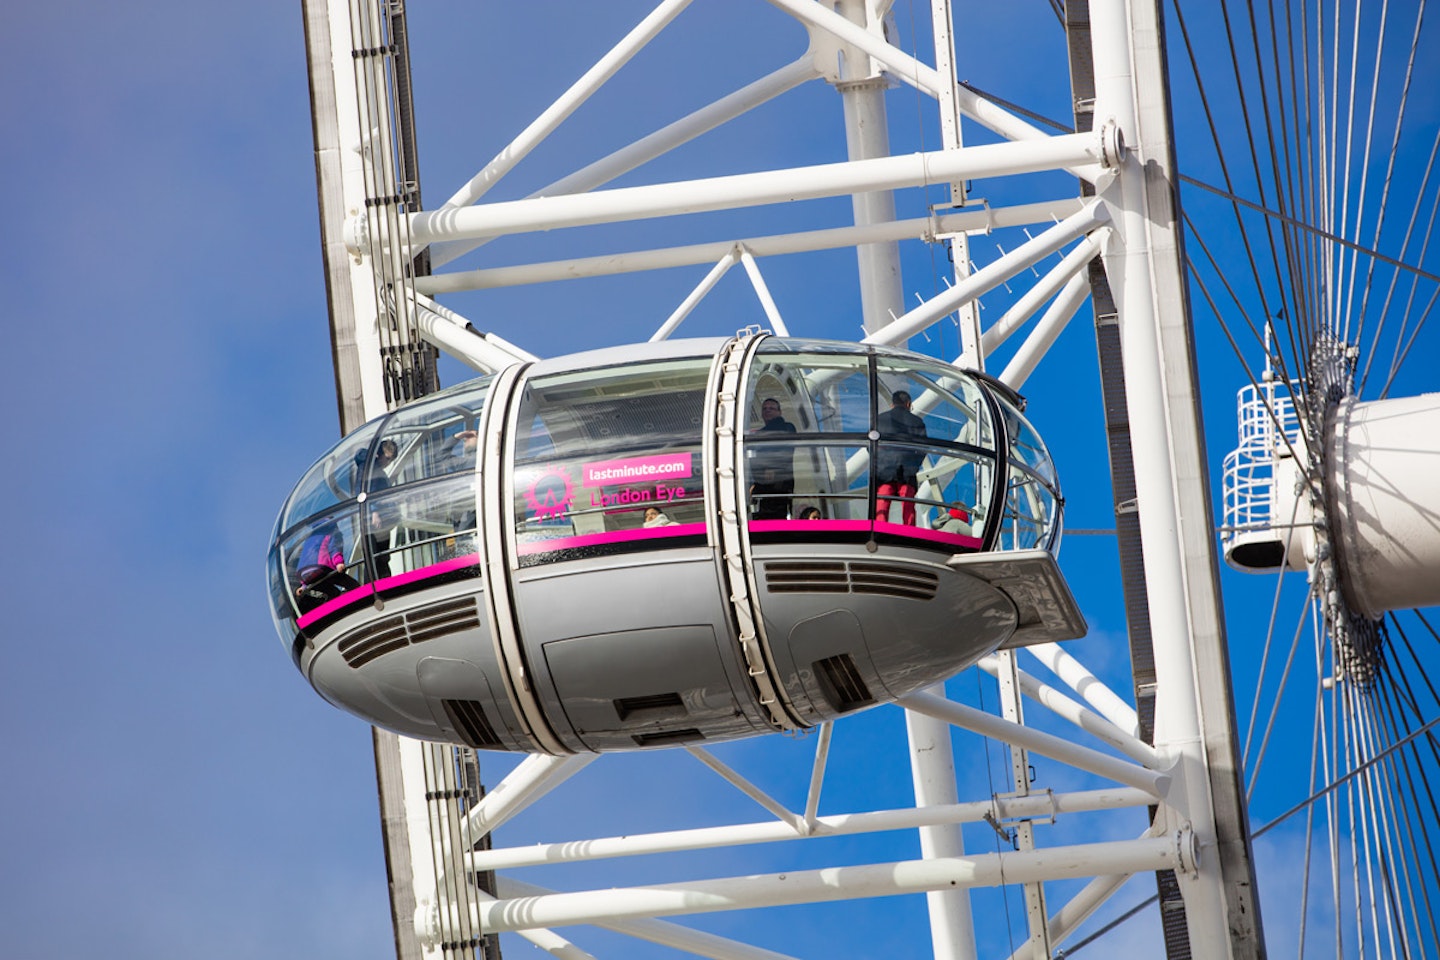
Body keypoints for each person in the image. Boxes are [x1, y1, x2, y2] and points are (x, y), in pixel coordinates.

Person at [875, 389, 928, 525]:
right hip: (907, 470)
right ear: (908, 403)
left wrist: (880, 462)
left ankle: (880, 530)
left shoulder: (879, 420)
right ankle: (909, 532)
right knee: (908, 506)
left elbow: (871, 447)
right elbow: (923, 449)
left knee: (882, 505)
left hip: (884, 470)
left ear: (892, 404)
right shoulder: (917, 422)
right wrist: (914, 466)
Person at [294, 519, 360, 614]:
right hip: (322, 569)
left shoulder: (311, 537)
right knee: (352, 584)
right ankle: (359, 602)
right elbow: (334, 549)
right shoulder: (331, 532)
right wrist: (339, 563)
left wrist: (303, 585)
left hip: (306, 574)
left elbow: (306, 558)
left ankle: (333, 612)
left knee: (333, 593)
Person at [749, 397, 797, 519]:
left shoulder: (787, 427)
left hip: (779, 481)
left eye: (771, 408)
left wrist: (771, 467)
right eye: (765, 408)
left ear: (779, 412)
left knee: (776, 512)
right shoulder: (760, 434)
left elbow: (784, 449)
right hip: (763, 482)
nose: (767, 410)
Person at [359, 439, 399, 578]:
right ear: (378, 454)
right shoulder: (369, 468)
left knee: (382, 558)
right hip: (374, 519)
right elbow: (368, 490)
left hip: (383, 518)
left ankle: (385, 584)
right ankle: (374, 589)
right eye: (387, 458)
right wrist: (374, 512)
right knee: (374, 557)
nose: (387, 463)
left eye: (391, 460)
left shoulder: (376, 470)